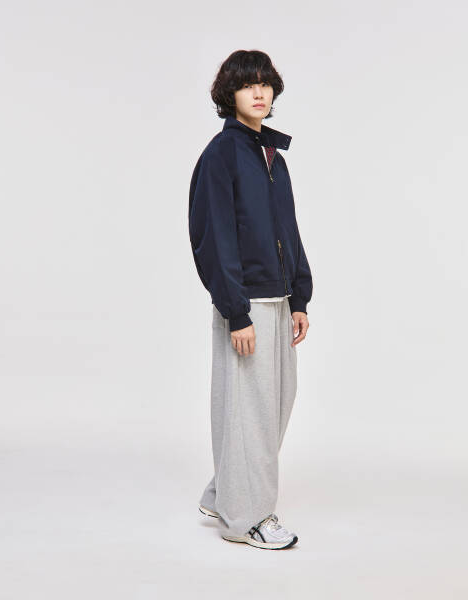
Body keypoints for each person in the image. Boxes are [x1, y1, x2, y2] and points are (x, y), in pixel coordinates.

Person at [188, 49, 313, 550]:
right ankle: (248, 518)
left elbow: (289, 231)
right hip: (247, 306)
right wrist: (235, 311)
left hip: (279, 300)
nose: (259, 92)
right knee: (250, 412)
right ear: (230, 94)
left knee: (276, 403)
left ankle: (224, 492)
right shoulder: (221, 155)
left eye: (265, 83)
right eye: (247, 84)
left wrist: (300, 296)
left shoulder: (272, 156)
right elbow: (213, 238)